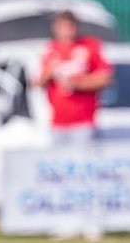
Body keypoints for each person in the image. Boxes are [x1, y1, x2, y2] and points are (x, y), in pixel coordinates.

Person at [33, 10, 113, 144]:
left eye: (70, 26)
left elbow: (105, 78)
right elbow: (38, 82)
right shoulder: (50, 49)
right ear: (55, 28)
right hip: (57, 123)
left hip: (83, 123)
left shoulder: (89, 46)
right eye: (63, 26)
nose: (66, 30)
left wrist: (78, 84)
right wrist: (49, 72)